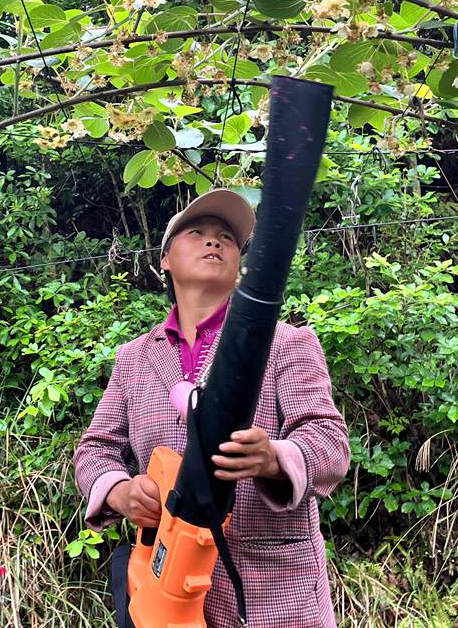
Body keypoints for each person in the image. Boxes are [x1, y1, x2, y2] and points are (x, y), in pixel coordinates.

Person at [73, 188, 351, 627]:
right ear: (164, 260)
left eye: (226, 236)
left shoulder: (285, 343)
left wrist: (274, 457)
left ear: (238, 262)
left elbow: (330, 443)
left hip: (274, 594)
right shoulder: (134, 357)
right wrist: (119, 491)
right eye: (196, 232)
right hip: (168, 591)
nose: (213, 241)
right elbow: (95, 449)